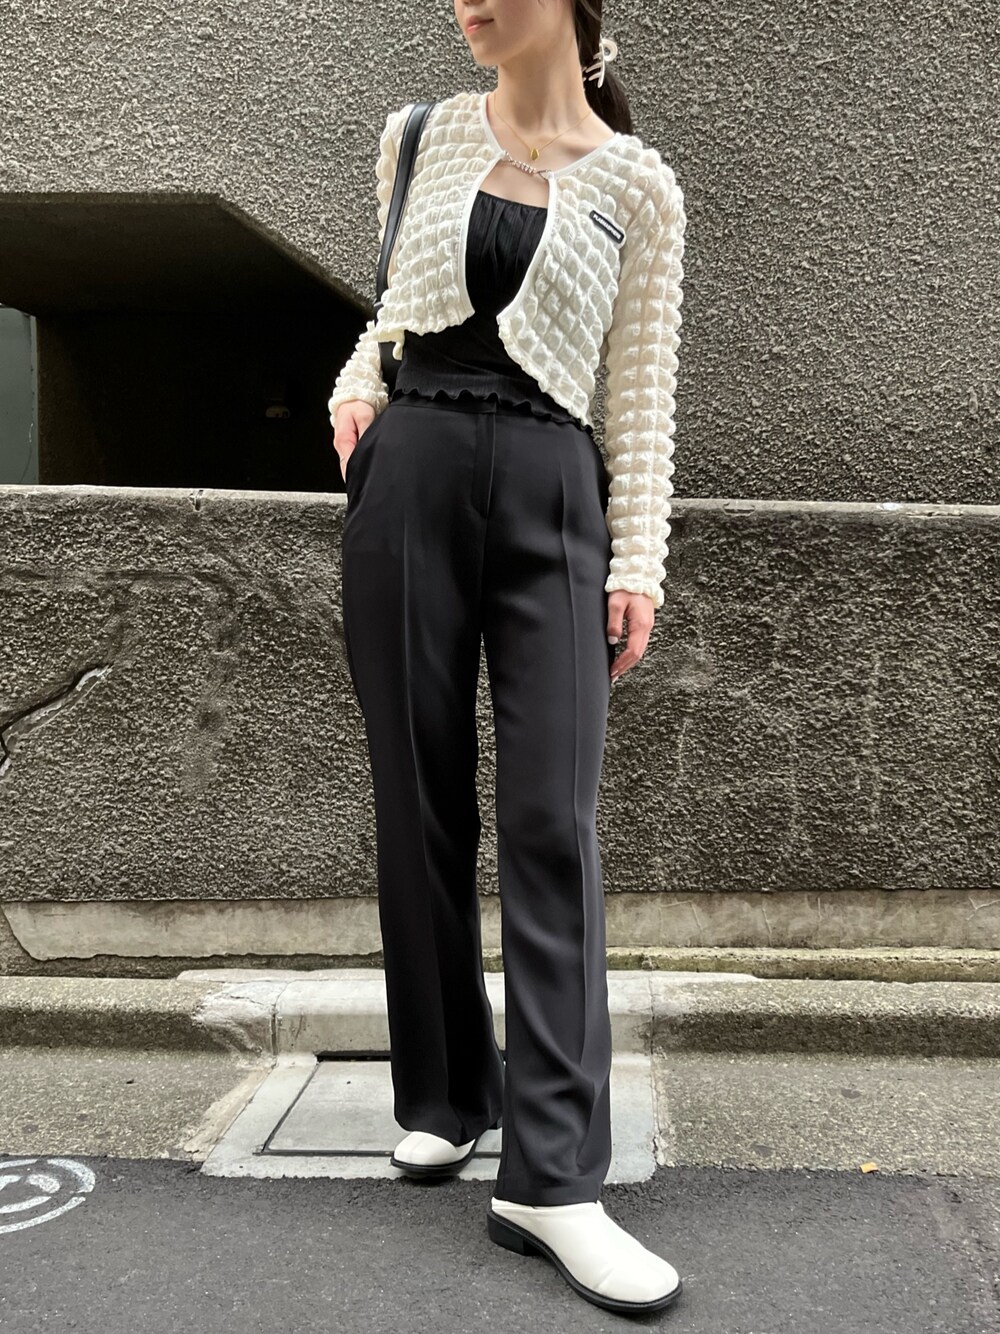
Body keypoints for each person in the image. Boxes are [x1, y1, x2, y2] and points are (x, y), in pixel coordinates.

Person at [329, 0, 686, 1317]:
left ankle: (554, 1176)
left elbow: (640, 392)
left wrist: (637, 561)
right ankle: (444, 1095)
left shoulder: (638, 186)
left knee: (552, 820)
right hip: (413, 472)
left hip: (553, 490)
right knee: (419, 801)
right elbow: (392, 305)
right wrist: (354, 381)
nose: (463, 0)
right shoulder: (418, 134)